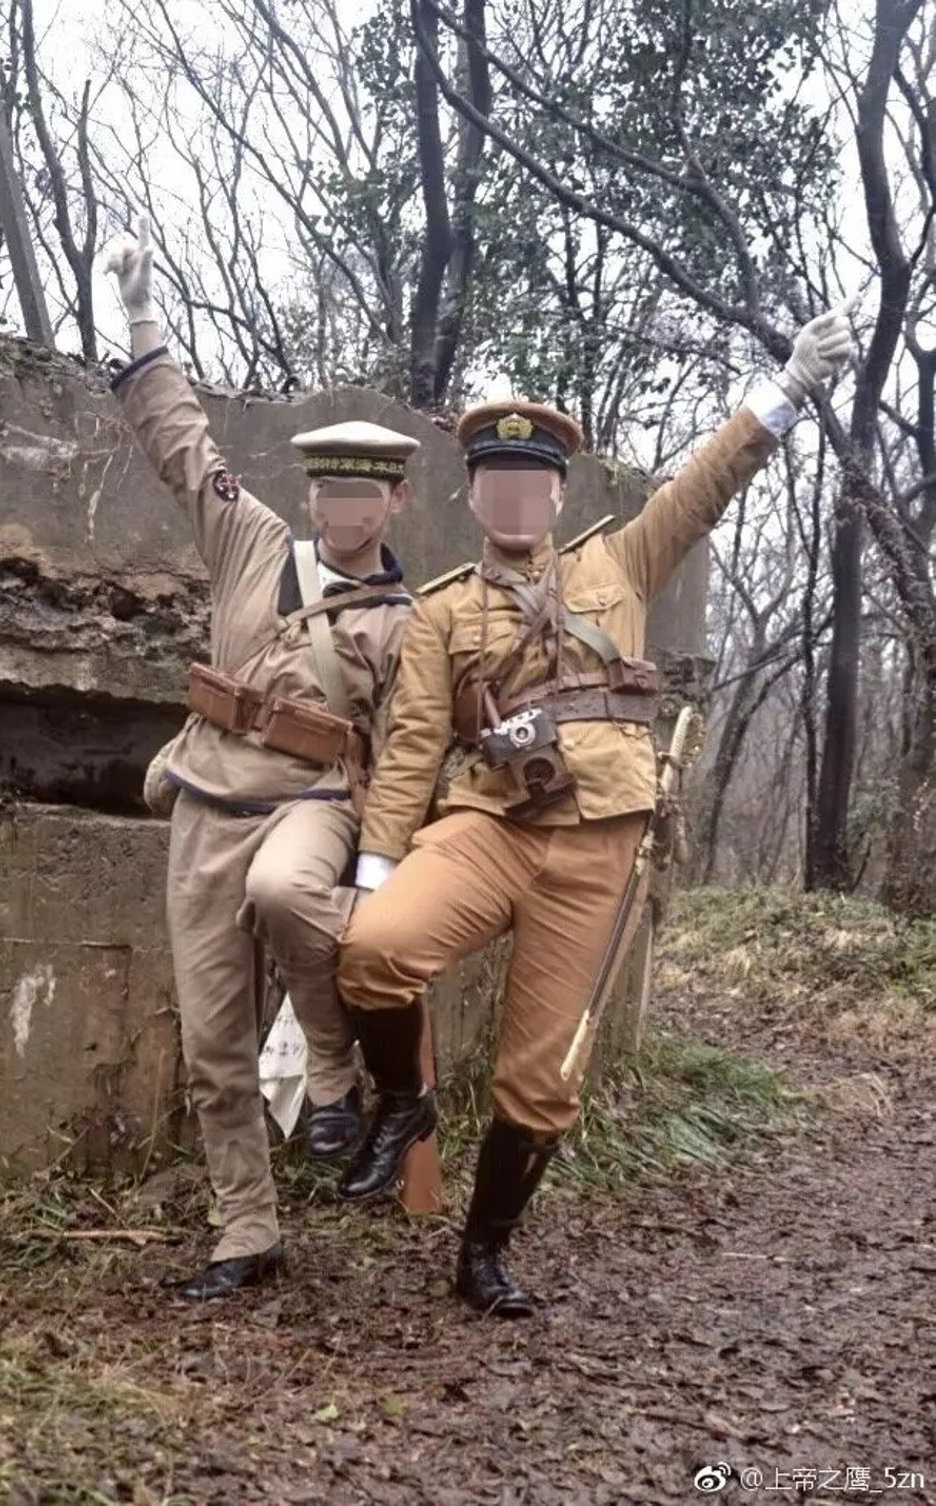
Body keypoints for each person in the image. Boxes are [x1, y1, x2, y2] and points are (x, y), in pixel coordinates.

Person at [335, 305, 854, 1317]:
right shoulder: (442, 608)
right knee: (372, 948)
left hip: (597, 846)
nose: (516, 496)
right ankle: (405, 1101)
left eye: (533, 482)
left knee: (543, 1077)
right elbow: (407, 751)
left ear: (558, 494)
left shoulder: (618, 565)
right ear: (476, 494)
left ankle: (482, 1256)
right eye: (498, 481)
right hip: (484, 824)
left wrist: (787, 389)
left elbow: (706, 487)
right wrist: (377, 864)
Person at [106, 216, 417, 1300]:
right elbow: (181, 442)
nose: (341, 509)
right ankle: (247, 1231)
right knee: (211, 1044)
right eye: (329, 491)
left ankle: (334, 1074)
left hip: (316, 799)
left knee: (293, 896)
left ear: (394, 503)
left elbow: (419, 744)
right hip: (206, 792)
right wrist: (143, 316)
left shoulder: (408, 618)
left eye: (362, 494)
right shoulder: (253, 542)